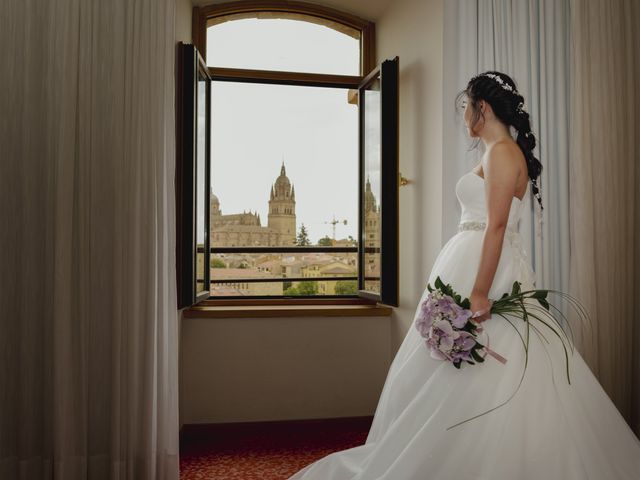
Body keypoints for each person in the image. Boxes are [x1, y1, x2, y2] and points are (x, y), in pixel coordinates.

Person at [287, 71, 640, 479]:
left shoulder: (503, 153)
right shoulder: (497, 152)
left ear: (482, 109)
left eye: (465, 107)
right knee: (456, 374)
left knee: (489, 371)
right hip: (473, 260)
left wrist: (478, 291)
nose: (463, 116)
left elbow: (495, 226)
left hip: (487, 270)